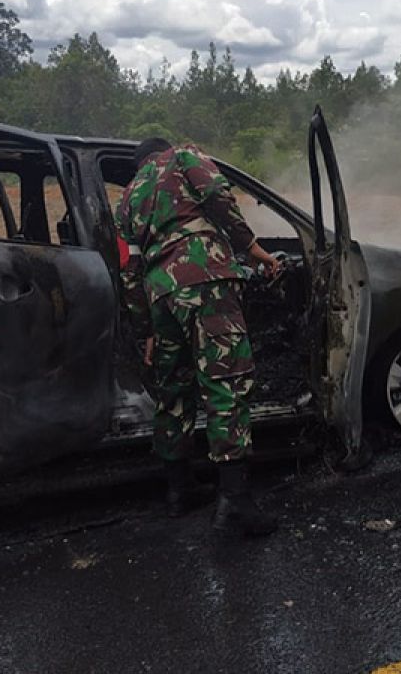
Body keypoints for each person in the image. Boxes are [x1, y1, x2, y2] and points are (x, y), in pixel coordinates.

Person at [116, 137, 281, 536]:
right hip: (205, 279)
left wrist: (148, 330)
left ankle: (179, 491)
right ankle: (235, 503)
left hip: (161, 297)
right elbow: (219, 197)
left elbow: (129, 272)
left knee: (174, 391)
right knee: (226, 384)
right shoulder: (183, 156)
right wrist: (254, 250)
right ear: (162, 150)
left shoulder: (126, 200)